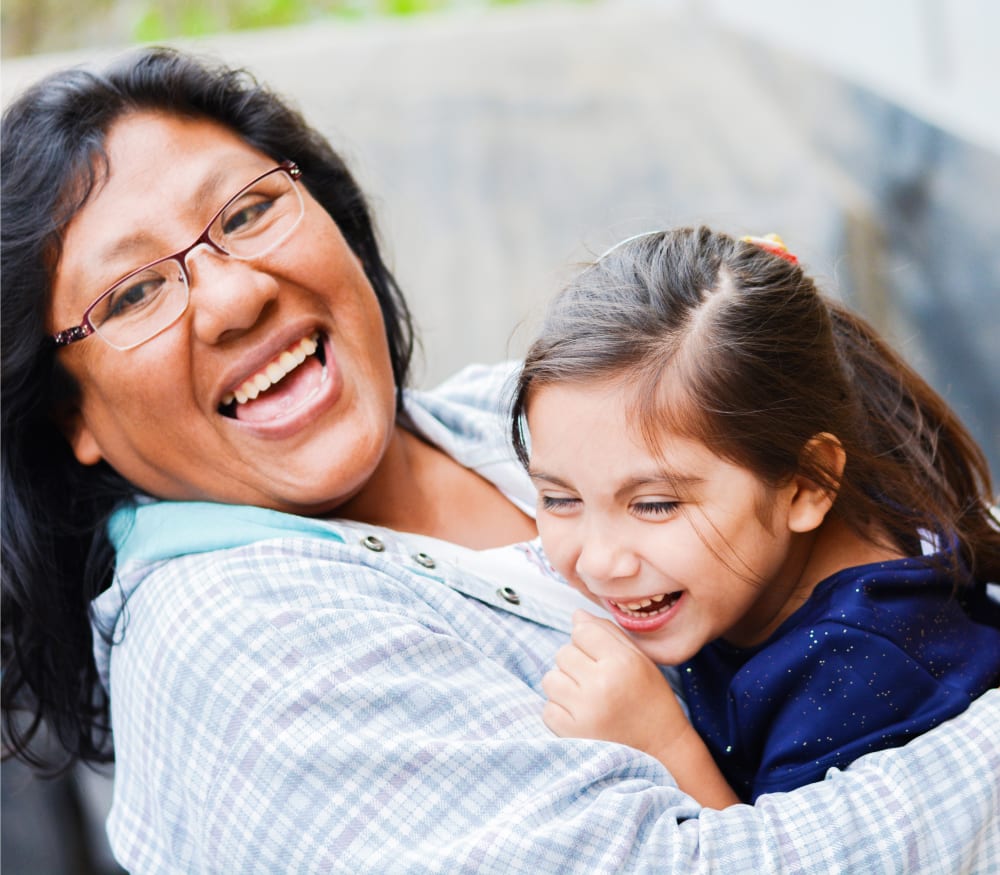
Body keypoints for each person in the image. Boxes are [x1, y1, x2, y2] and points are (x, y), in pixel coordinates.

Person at [1, 48, 998, 874]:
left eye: (247, 211)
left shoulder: (507, 410)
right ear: (69, 416)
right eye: (133, 293)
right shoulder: (238, 645)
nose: (231, 297)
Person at [508, 227, 1000, 810]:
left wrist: (663, 742)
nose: (597, 560)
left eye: (656, 505)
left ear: (807, 483)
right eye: (560, 499)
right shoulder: (776, 555)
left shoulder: (861, 674)